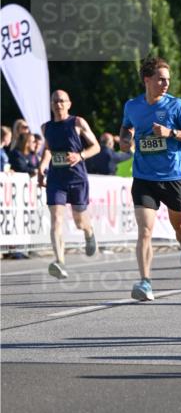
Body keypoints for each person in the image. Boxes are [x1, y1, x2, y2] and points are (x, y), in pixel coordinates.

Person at [119, 56, 181, 301]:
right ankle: (145, 282)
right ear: (147, 80)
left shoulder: (177, 106)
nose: (166, 84)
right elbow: (127, 126)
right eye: (161, 79)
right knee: (145, 230)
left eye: (168, 80)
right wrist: (125, 138)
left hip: (172, 175)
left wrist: (171, 132)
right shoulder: (132, 106)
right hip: (143, 176)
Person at [37, 90, 100, 279]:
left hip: (77, 178)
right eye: (55, 101)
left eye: (62, 101)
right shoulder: (46, 127)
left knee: (80, 221)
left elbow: (96, 146)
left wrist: (79, 156)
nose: (58, 104)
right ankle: (59, 262)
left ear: (69, 104)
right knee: (56, 219)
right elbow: (48, 149)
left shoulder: (78, 123)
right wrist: (41, 167)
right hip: (56, 178)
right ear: (51, 104)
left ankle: (89, 232)